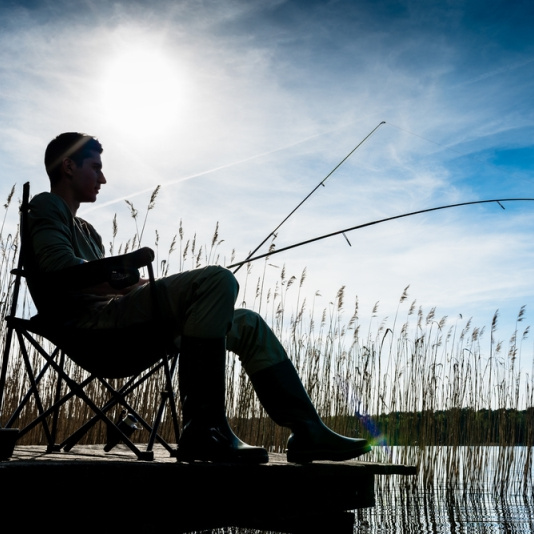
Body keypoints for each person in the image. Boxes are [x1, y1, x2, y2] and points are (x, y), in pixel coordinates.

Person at [25, 132, 371, 464]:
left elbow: (106, 282)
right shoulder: (46, 206)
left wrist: (136, 282)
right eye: (96, 167)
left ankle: (308, 431)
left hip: (123, 322)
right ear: (69, 166)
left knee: (247, 323)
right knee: (216, 280)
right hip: (92, 331)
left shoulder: (89, 232)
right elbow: (60, 272)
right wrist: (119, 272)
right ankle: (203, 429)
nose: (103, 178)